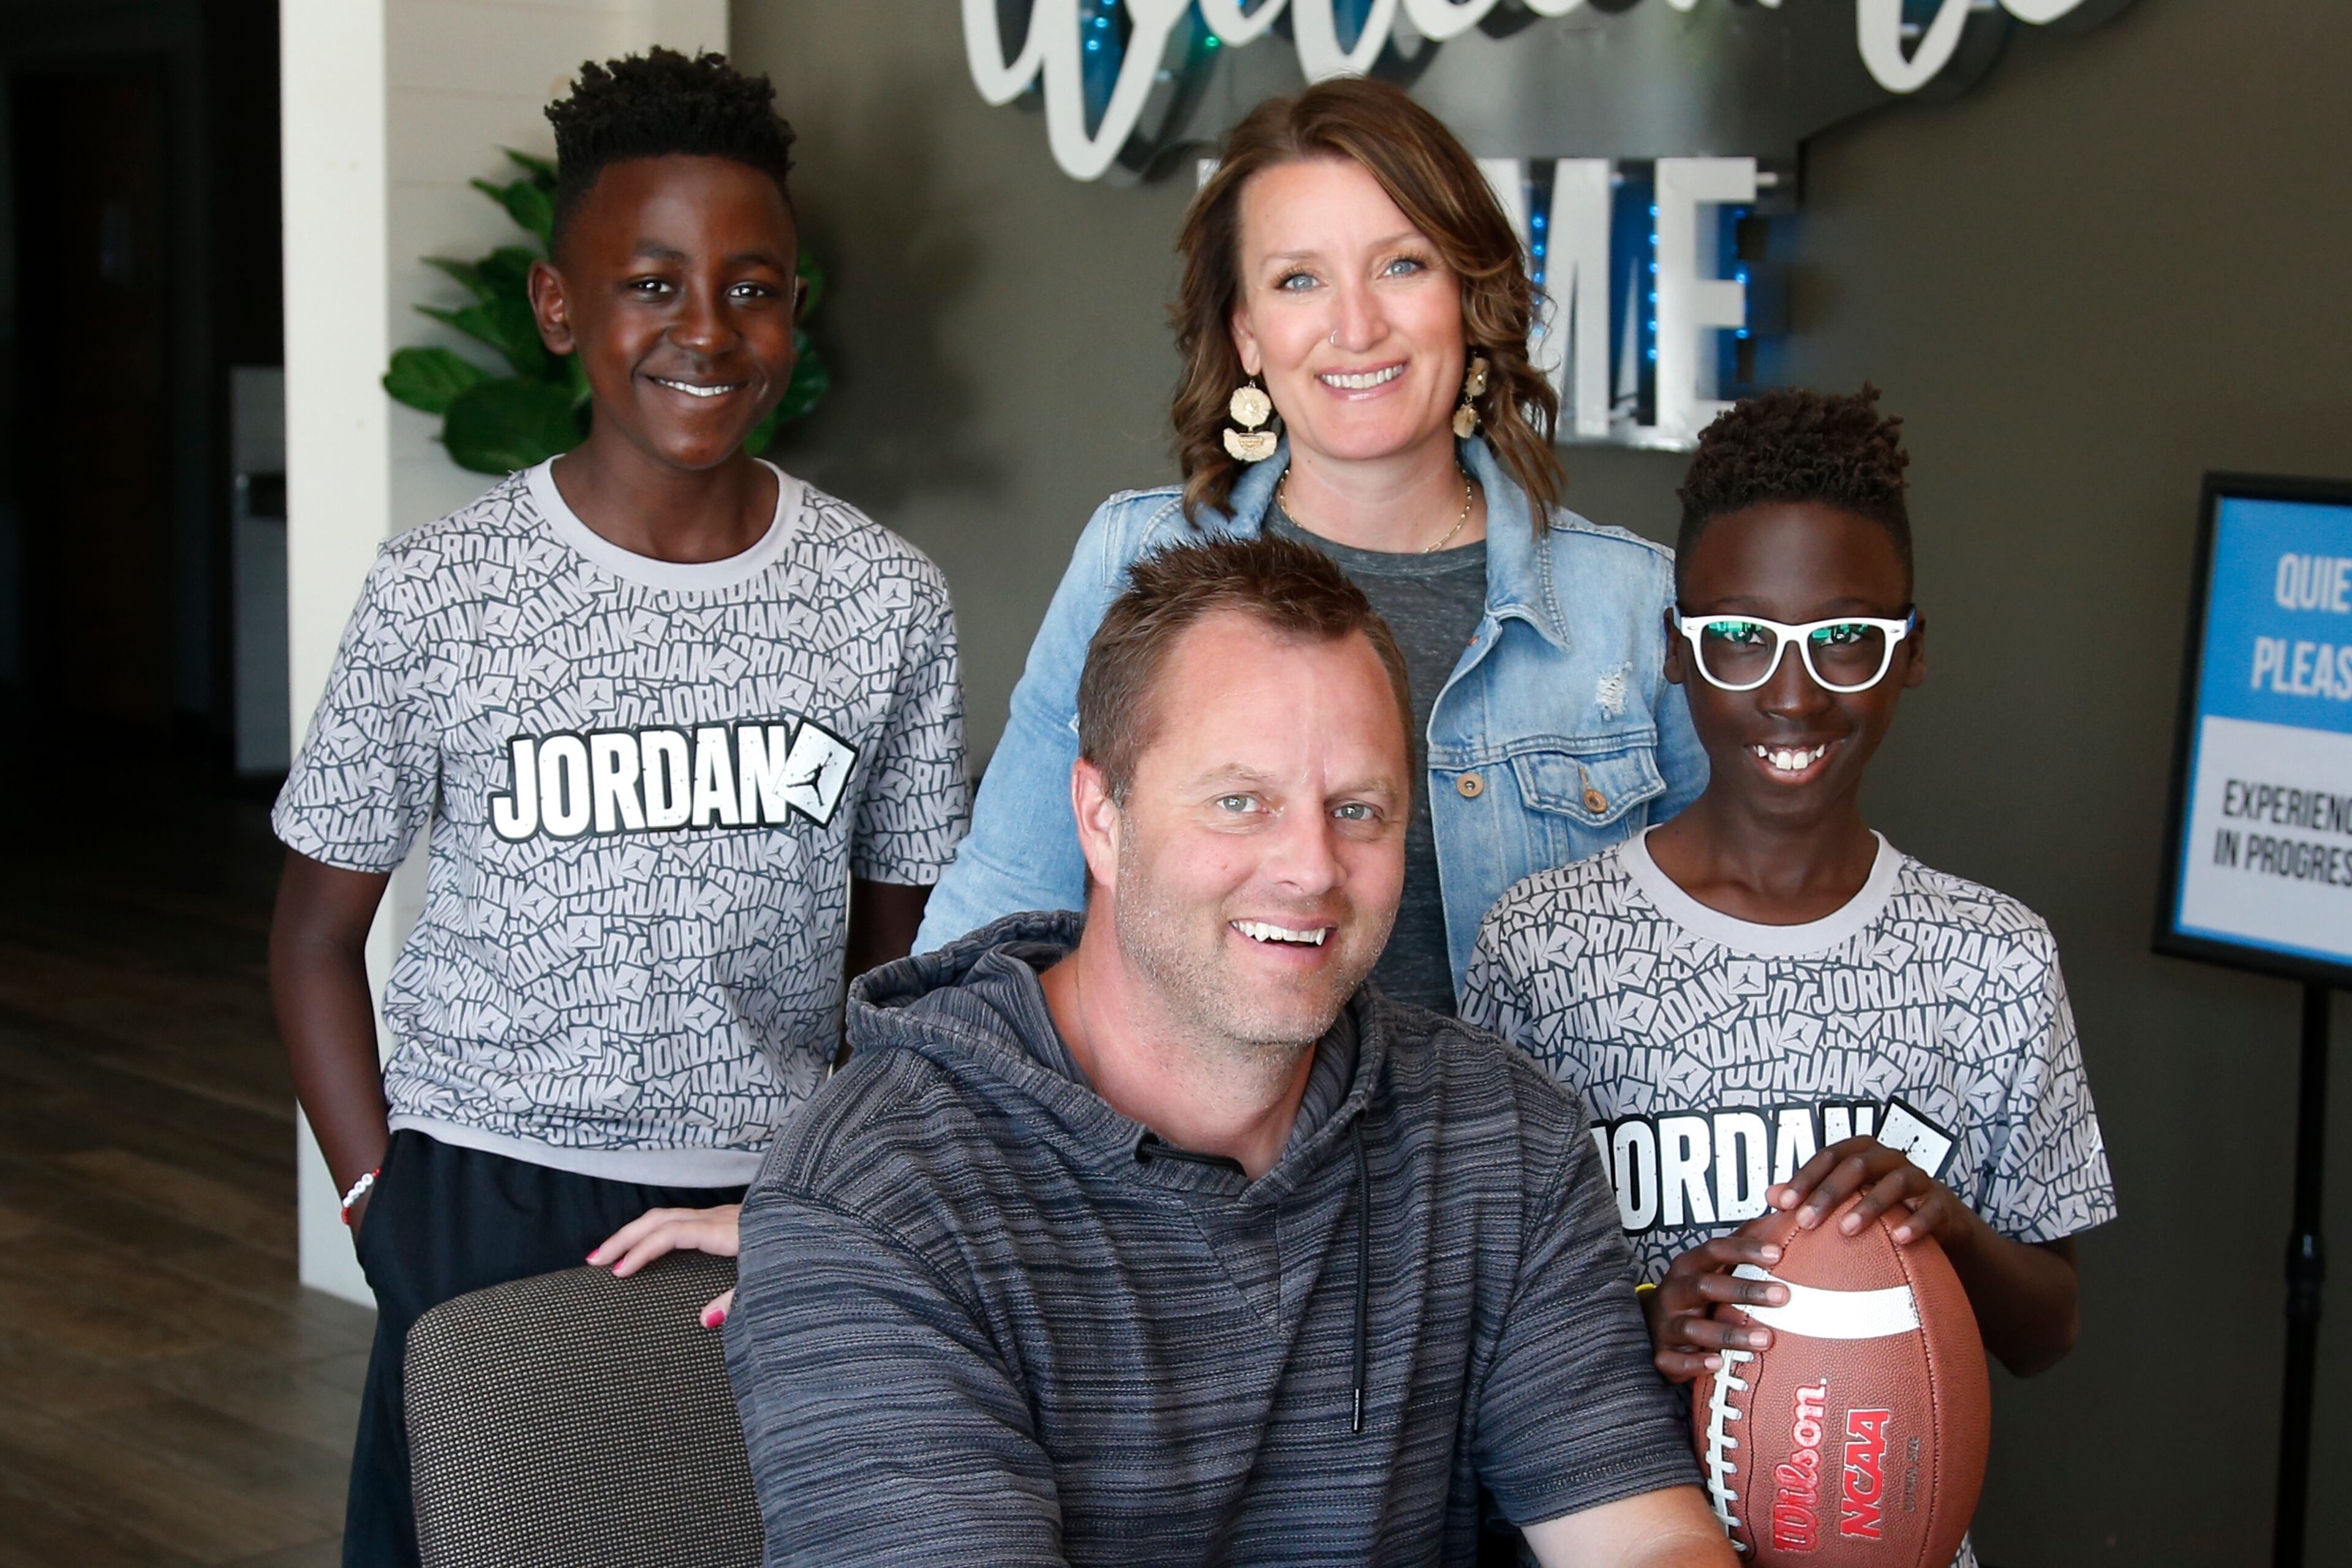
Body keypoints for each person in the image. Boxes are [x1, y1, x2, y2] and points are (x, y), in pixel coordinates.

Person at [268, 50, 967, 1568]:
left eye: (755, 286)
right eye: (653, 283)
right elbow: (314, 937)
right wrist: (382, 1196)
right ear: (560, 306)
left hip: (766, 1209)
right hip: (482, 1194)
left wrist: (833, 1190)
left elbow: (898, 968)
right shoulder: (438, 594)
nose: (708, 330)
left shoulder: (883, 598)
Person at [726, 535, 1736, 1568]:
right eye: (1239, 802)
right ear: (1101, 819)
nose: (1310, 867)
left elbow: (1645, 1537)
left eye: (1359, 811)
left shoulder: (1496, 1132)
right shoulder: (879, 1195)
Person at [1460, 388, 2116, 1565]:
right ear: (1675, 647)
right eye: (1740, 638)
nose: (1794, 693)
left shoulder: (1993, 957)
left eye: (1845, 639)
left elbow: (2048, 1332)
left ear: (1909, 652)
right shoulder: (1545, 946)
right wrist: (1651, 1316)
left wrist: (1948, 1231)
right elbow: (1478, 1325)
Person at [914, 78, 1705, 1013]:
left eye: (1402, 266)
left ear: (1467, 292)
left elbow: (1722, 966)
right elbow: (990, 932)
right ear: (1247, 333)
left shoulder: (1629, 604)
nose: (1357, 325)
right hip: (1196, 1159)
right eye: (1300, 280)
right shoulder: (1134, 559)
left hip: (1536, 1156)